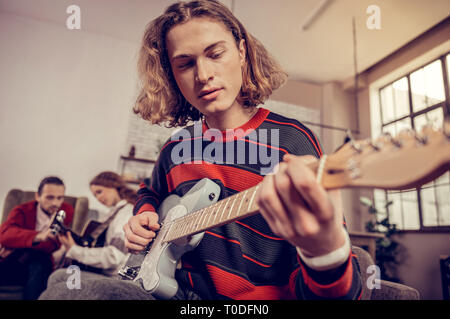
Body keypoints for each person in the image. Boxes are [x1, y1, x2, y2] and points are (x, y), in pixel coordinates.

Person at [40, 0, 362, 300]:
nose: (203, 74)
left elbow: (343, 291)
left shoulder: (291, 140)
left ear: (242, 52)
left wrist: (325, 248)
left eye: (215, 54)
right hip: (169, 290)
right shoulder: (175, 147)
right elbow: (149, 192)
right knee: (59, 280)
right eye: (185, 63)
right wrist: (143, 215)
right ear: (172, 76)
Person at [41, 171, 136, 291]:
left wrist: (74, 250)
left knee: (59, 277)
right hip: (105, 272)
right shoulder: (113, 213)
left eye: (99, 192)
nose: (98, 198)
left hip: (115, 276)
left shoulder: (127, 212)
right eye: (95, 195)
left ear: (112, 185)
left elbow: (114, 256)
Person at [0, 176, 74, 299]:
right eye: (50, 197)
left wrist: (17, 244)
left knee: (39, 262)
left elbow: (53, 245)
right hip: (15, 262)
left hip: (41, 263)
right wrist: (40, 236)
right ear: (38, 196)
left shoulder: (66, 210)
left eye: (59, 198)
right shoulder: (22, 210)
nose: (55, 203)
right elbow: (4, 234)